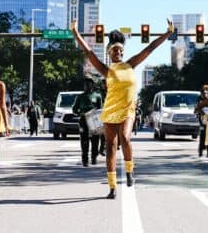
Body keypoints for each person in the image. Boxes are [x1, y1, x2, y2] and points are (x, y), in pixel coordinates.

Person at [72, 19, 173, 199]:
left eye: (120, 50)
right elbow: (87, 51)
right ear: (109, 52)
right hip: (110, 110)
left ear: (123, 51)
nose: (118, 52)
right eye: (114, 50)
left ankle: (129, 171)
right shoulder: (105, 70)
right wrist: (75, 32)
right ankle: (112, 187)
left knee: (125, 137)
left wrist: (167, 33)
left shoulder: (131, 64)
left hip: (128, 109)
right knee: (110, 147)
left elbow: (150, 48)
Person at [72, 76, 104, 167]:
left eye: (88, 84)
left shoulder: (97, 96)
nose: (86, 85)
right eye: (85, 84)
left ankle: (94, 157)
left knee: (95, 140)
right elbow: (74, 109)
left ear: (92, 85)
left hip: (94, 120)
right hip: (83, 120)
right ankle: (85, 160)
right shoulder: (80, 97)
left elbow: (100, 108)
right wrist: (79, 113)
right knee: (84, 140)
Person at [194, 85, 208, 157]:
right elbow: (196, 109)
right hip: (202, 119)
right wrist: (200, 113)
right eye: (204, 91)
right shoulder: (199, 99)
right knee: (202, 135)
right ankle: (200, 150)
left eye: (207, 90)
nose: (205, 93)